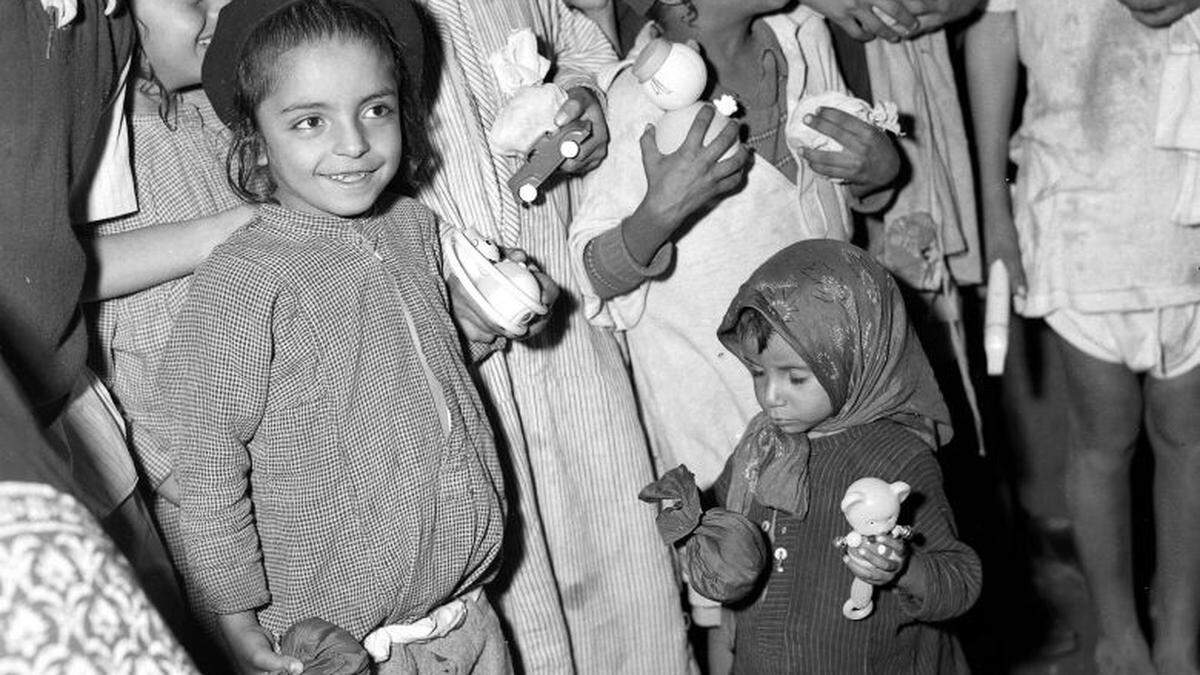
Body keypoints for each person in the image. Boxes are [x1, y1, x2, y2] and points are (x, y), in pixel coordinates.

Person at [160, 0, 511, 672]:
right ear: (255, 138)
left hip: (468, 616)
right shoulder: (244, 280)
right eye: (310, 121)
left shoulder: (411, 228)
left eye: (375, 109)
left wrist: (468, 329)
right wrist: (233, 616)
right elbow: (204, 463)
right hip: (340, 647)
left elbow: (395, 375)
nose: (353, 143)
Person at [413, 1, 691, 672]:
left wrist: (585, 99)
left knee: (622, 570)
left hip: (565, 327)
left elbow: (581, 46)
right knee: (518, 584)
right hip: (457, 343)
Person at [570, 0, 898, 511]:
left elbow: (831, 199)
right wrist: (658, 214)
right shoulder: (634, 102)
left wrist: (877, 174)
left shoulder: (803, 36)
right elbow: (590, 271)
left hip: (845, 409)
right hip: (727, 443)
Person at [966, 2, 1200, 673]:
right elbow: (994, 24)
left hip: (1186, 197)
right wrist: (993, 204)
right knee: (1104, 436)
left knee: (1189, 436)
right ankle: (1119, 637)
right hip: (1080, 197)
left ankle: (1180, 638)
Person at [695, 239, 981, 672]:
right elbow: (721, 523)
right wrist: (689, 517)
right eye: (757, 372)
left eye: (795, 377)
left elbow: (960, 581)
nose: (771, 396)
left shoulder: (898, 458)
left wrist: (902, 568)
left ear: (853, 358)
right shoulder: (759, 445)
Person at [85, 0, 253, 635]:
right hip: (197, 481)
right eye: (194, 1)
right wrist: (215, 236)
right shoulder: (97, 128)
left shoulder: (226, 103)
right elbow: (54, 270)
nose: (221, 13)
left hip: (292, 444)